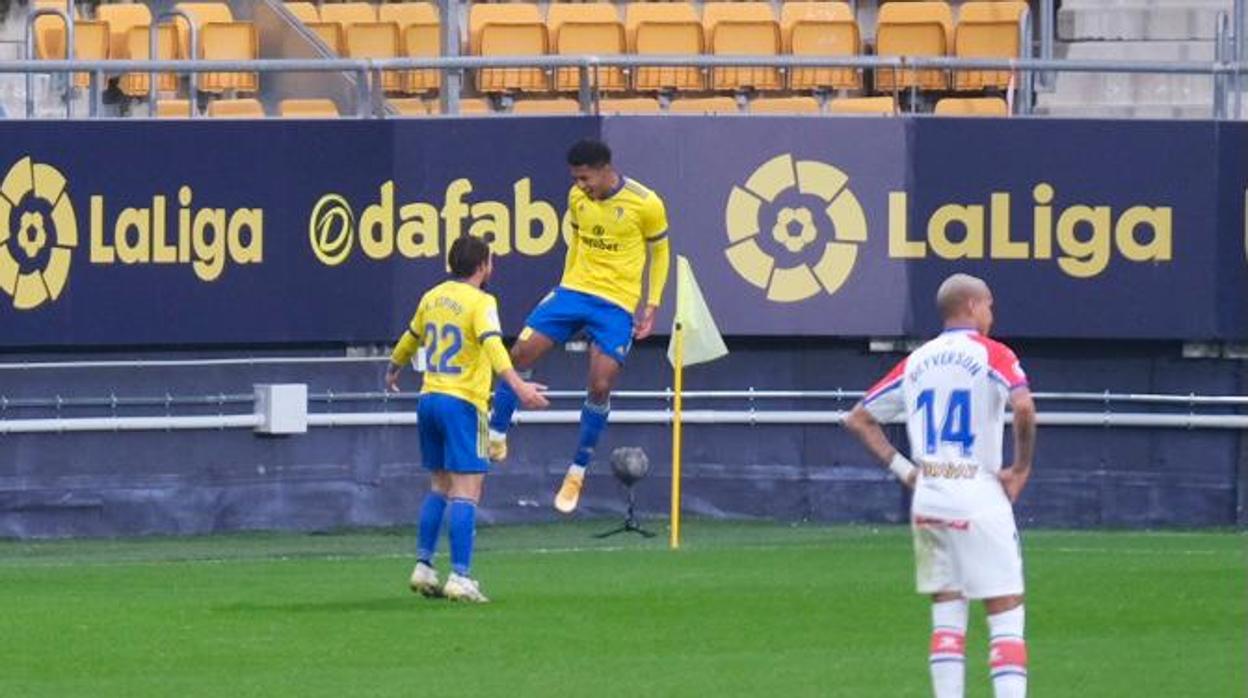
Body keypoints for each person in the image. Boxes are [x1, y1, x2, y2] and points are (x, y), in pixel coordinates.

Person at [844, 273, 1037, 698]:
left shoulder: (917, 360)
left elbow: (858, 417)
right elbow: (1023, 406)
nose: (991, 314)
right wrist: (1021, 467)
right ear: (971, 306)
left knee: (947, 618)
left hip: (929, 498)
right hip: (978, 496)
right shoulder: (993, 354)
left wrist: (906, 471)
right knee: (1005, 617)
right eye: (989, 305)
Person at [487, 138, 671, 514]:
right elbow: (575, 243)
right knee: (519, 353)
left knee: (601, 383)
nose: (580, 185)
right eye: (575, 178)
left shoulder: (646, 203)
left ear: (605, 169)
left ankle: (578, 469)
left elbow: (661, 253)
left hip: (617, 304)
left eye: (585, 178)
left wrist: (651, 304)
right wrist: (564, 285)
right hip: (573, 291)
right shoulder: (576, 198)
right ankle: (497, 432)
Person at [386, 236, 549, 603]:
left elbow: (410, 339)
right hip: (462, 404)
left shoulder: (432, 296)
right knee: (467, 490)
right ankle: (460, 575)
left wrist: (393, 369)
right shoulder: (482, 301)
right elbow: (493, 345)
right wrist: (519, 387)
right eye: (491, 261)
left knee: (439, 486)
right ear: (482, 266)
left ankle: (424, 565)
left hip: (428, 399)